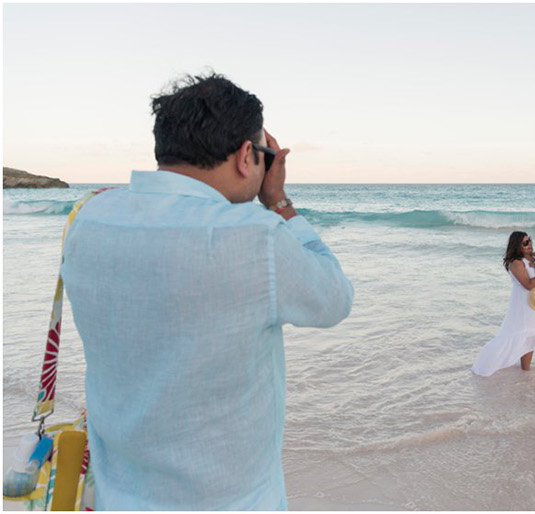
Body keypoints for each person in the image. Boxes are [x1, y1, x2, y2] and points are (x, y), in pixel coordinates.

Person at [59, 73, 354, 509]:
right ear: (245, 156)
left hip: (116, 494)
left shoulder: (89, 217)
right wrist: (278, 201)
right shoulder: (255, 236)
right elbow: (334, 299)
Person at [474, 231, 535, 375]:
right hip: (525, 304)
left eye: (530, 240)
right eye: (525, 243)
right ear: (517, 246)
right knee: (528, 337)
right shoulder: (516, 263)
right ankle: (525, 373)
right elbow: (528, 284)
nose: (530, 244)